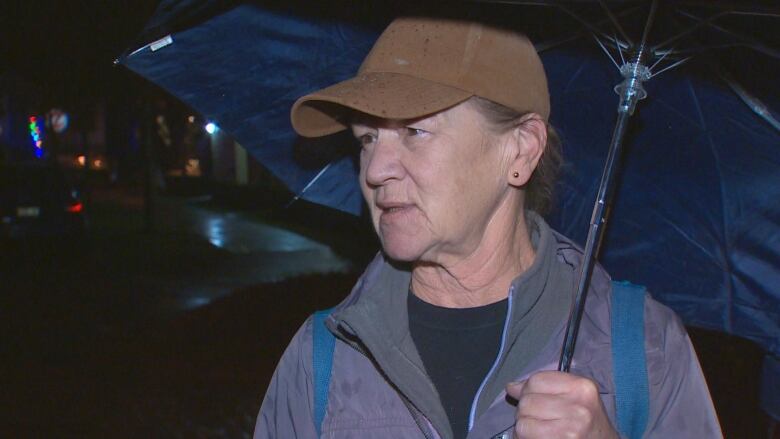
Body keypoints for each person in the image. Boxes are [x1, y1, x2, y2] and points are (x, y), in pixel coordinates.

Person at [254, 16, 722, 439]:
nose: (375, 169)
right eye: (367, 138)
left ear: (519, 151)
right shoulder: (323, 359)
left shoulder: (641, 348)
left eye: (415, 132)